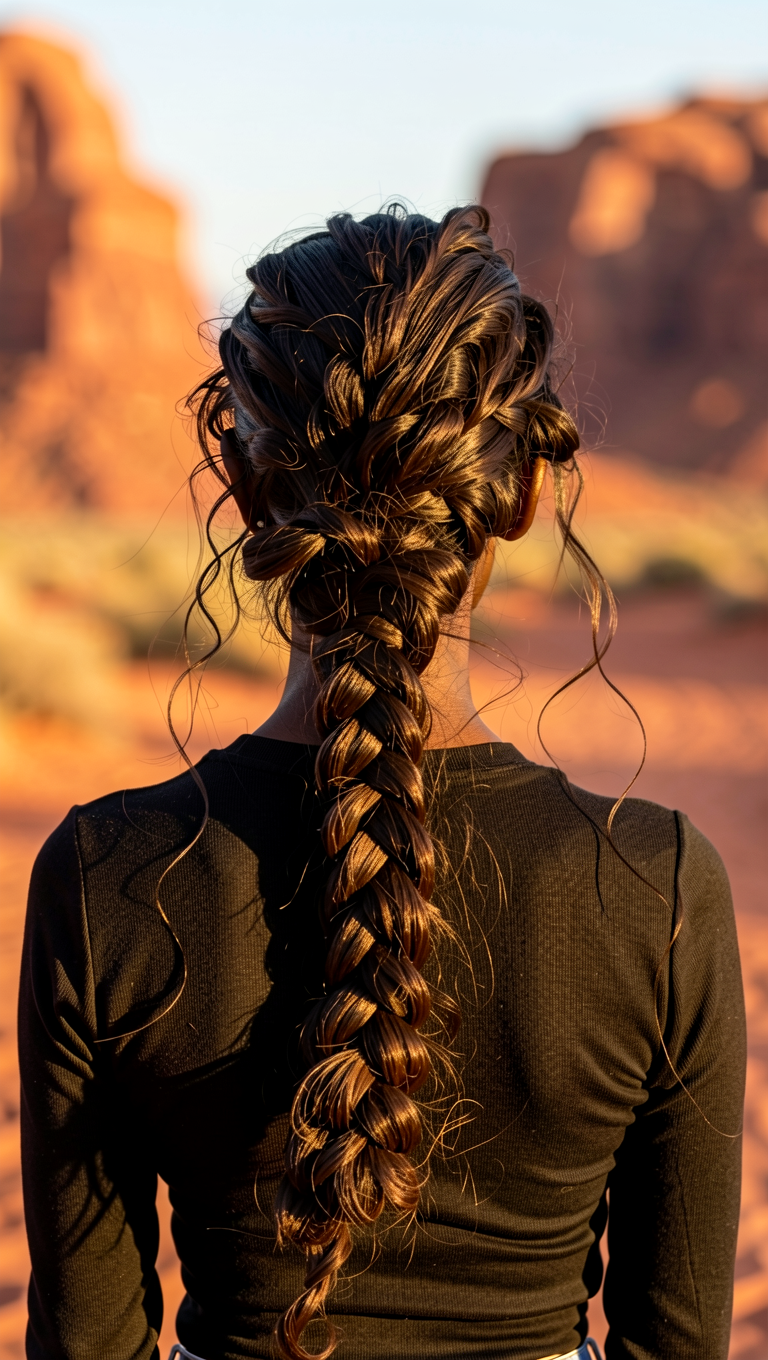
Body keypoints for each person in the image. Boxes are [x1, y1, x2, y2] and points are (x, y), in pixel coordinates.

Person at [19, 206, 745, 1360]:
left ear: (244, 489)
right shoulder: (656, 888)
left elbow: (88, 1342)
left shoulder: (108, 878)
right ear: (522, 492)